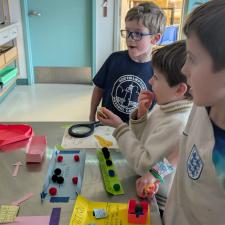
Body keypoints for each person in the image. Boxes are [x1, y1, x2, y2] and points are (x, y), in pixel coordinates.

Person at [97, 41, 193, 212]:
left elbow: (144, 165)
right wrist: (141, 116)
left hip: (157, 201)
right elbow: (144, 141)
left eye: (156, 77)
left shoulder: (177, 123)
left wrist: (120, 127)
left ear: (179, 90)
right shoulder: (166, 105)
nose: (150, 80)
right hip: (146, 183)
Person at [163, 1, 225, 225]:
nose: (183, 69)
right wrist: (157, 172)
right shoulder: (202, 103)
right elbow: (185, 147)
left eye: (192, 59)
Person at [89, 2, 166, 123]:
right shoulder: (114, 59)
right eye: (128, 31)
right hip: (106, 125)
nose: (130, 38)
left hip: (137, 132)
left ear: (155, 38)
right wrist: (91, 115)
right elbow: (99, 88)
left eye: (138, 33)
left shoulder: (159, 71)